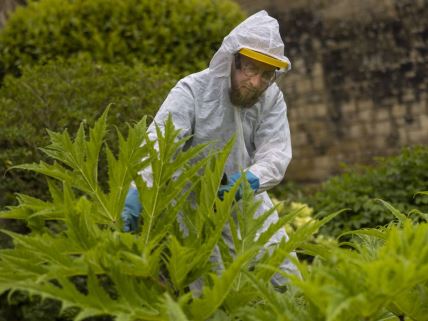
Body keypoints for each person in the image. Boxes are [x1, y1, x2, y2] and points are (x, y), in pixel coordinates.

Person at [122, 10, 299, 284]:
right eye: (251, 68)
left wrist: (251, 179)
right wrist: (138, 191)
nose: (256, 83)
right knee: (212, 293)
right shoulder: (192, 90)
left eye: (267, 74)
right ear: (232, 59)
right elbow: (159, 145)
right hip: (194, 213)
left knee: (285, 282)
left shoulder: (271, 98)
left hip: (247, 204)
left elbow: (276, 151)